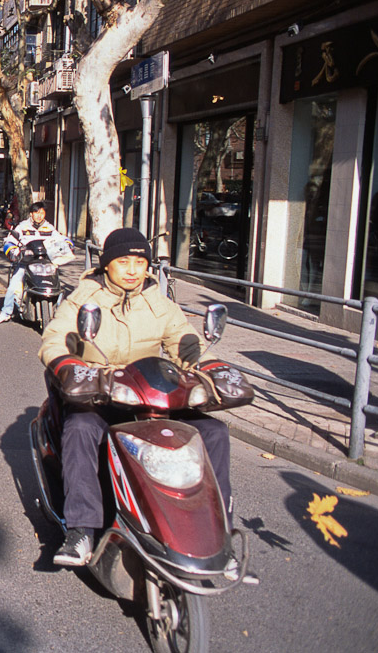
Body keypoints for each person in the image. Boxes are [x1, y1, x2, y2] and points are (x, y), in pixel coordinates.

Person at [38, 227, 233, 567]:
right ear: (107, 265)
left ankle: (219, 532)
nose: (132, 269)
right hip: (101, 395)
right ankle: (82, 530)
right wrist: (71, 366)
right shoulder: (83, 300)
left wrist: (207, 364)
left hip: (152, 396)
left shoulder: (161, 303)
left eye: (140, 262)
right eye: (123, 261)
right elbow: (56, 338)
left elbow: (185, 341)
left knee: (214, 432)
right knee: (82, 429)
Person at [0, 201, 71, 324]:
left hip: (46, 262)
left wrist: (68, 244)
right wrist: (12, 251)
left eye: (42, 213)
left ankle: (59, 314)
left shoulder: (49, 228)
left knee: (58, 287)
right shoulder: (23, 226)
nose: (39, 215)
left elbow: (60, 238)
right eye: (36, 213)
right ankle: (6, 312)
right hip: (26, 262)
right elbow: (9, 241)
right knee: (13, 286)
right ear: (31, 214)